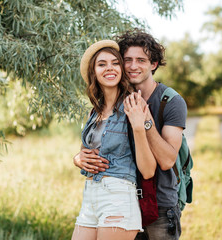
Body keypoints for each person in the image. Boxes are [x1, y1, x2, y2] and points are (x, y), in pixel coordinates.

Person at [74, 30, 187, 240]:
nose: (133, 66)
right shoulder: (104, 108)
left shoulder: (169, 102)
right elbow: (97, 149)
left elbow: (166, 161)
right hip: (112, 196)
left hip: (159, 202)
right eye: (127, 60)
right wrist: (78, 158)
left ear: (153, 64)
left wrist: (143, 122)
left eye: (141, 60)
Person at [71, 40, 157, 240]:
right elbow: (85, 155)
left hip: (118, 196)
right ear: (94, 72)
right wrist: (77, 159)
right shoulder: (95, 112)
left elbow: (148, 170)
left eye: (115, 63)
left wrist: (138, 127)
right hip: (90, 196)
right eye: (102, 64)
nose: (109, 68)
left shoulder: (134, 104)